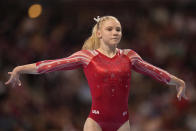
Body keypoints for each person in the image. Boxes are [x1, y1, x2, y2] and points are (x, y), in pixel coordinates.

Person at [5, 16, 188, 131]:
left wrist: (178, 81)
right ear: (99, 33)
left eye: (118, 29)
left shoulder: (129, 56)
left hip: (123, 123)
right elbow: (53, 65)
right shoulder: (87, 57)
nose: (115, 32)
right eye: (110, 29)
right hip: (96, 122)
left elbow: (154, 71)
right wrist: (21, 69)